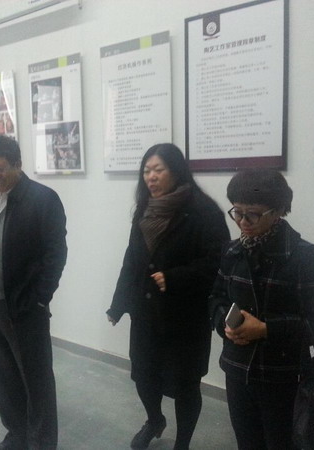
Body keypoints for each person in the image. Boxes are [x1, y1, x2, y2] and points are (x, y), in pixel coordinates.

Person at [107, 143, 230, 450]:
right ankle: (154, 420)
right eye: (146, 170)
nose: (151, 176)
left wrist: (175, 277)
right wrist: (118, 304)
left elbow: (219, 263)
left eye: (158, 170)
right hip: (147, 313)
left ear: (176, 171)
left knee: (186, 386)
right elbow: (132, 259)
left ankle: (182, 443)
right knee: (144, 378)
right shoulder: (144, 208)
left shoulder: (204, 211)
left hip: (186, 318)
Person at [208, 169, 314, 449]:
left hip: (284, 376)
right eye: (237, 212)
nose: (243, 222)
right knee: (247, 443)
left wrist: (266, 329)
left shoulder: (305, 257)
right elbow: (215, 298)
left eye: (252, 214)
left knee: (281, 444)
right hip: (237, 370)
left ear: (277, 211)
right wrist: (225, 324)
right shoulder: (231, 251)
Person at [0, 135, 67, 450]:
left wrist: (39, 298)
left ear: (18, 164)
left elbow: (56, 255)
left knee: (36, 379)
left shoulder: (43, 199)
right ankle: (17, 434)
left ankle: (41, 442)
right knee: (3, 375)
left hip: (24, 306)